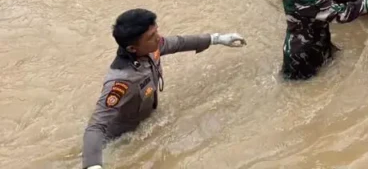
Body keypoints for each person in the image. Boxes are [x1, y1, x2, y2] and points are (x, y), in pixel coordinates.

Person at [82, 9, 245, 168]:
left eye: (156, 32)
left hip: (147, 119)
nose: (158, 38)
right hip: (119, 140)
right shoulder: (121, 81)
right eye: (151, 37)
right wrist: (93, 165)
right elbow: (96, 126)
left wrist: (216, 39)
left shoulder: (150, 48)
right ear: (132, 48)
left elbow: (179, 43)